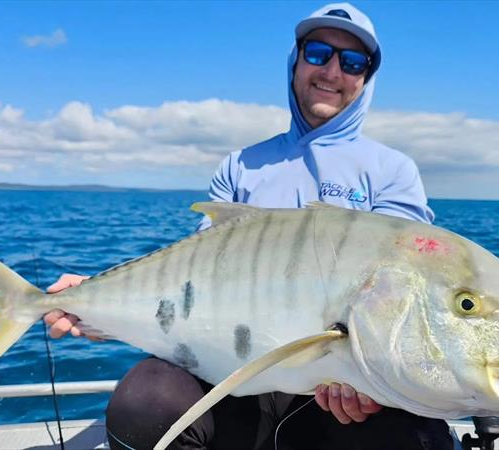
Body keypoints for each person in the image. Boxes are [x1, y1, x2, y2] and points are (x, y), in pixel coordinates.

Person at [45, 3, 451, 449]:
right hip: (238, 372)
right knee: (144, 402)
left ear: (366, 78)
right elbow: (194, 283)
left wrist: (366, 372)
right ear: (295, 60)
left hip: (340, 386)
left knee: (417, 436)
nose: (332, 71)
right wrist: (95, 300)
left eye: (353, 62)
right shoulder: (241, 166)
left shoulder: (392, 171)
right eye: (318, 53)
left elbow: (406, 291)